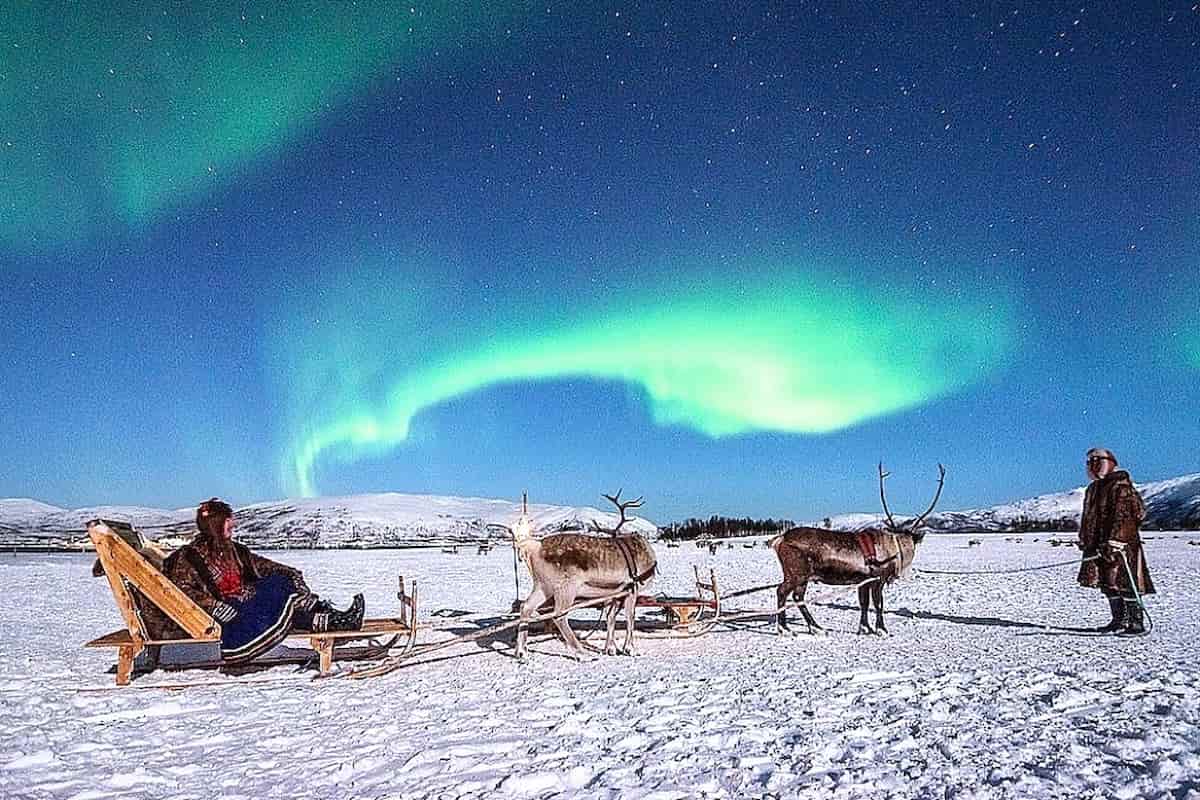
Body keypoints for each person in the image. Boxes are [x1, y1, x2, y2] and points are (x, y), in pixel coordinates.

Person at [162, 498, 365, 663]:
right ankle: (336, 621)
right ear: (215, 525)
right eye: (228, 523)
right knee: (279, 595)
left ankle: (335, 619)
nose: (233, 526)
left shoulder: (235, 550)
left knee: (282, 581)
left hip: (245, 600)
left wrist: (291, 572)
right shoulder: (189, 557)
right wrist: (213, 605)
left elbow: (262, 565)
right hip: (229, 612)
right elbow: (179, 590)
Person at [1077, 448, 1154, 635]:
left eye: (1097, 461)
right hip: (1097, 545)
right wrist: (1085, 538)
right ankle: (1118, 620)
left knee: (1126, 582)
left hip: (1121, 545)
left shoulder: (1121, 487)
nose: (1092, 465)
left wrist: (1117, 539)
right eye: (1089, 461)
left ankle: (1135, 622)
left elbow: (1128, 515)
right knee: (1107, 583)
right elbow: (1088, 517)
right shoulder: (1093, 489)